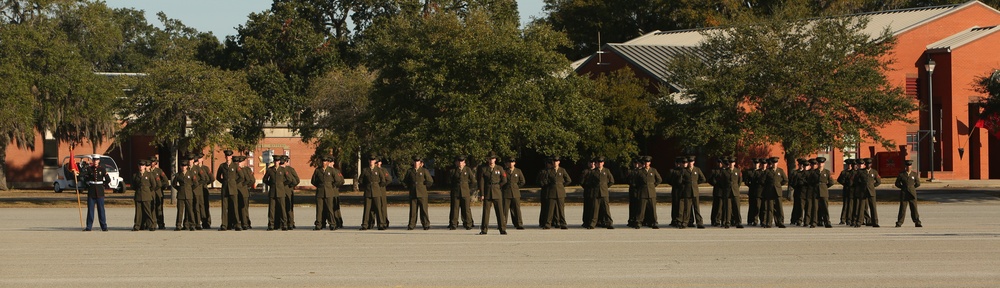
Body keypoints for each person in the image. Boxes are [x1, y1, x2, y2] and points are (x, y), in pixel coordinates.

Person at [478, 152, 508, 235]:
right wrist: (482, 194)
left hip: (497, 191)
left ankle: (502, 228)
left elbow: (504, 180)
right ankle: (484, 229)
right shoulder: (484, 169)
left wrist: (498, 186)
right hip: (487, 191)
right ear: (487, 159)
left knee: (500, 212)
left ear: (495, 159)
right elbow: (481, 182)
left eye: (492, 158)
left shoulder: (500, 168)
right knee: (486, 212)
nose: (491, 160)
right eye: (490, 159)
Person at [313, 156, 345, 230]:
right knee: (319, 209)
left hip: (329, 192)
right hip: (320, 192)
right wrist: (320, 185)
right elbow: (314, 181)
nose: (324, 162)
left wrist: (331, 186)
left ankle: (332, 224)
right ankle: (318, 224)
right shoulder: (318, 170)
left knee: (330, 209)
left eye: (326, 161)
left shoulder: (332, 170)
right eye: (323, 161)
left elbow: (338, 180)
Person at [539, 156, 571, 229]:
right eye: (553, 161)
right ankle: (548, 224)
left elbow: (568, 180)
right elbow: (545, 180)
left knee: (561, 209)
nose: (555, 162)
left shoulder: (562, 170)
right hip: (551, 192)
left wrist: (561, 185)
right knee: (550, 210)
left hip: (560, 192)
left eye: (556, 161)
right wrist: (549, 184)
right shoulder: (549, 171)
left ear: (559, 162)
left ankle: (563, 223)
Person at [403, 157, 433, 230]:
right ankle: (411, 224)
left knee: (424, 210)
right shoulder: (410, 171)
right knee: (413, 211)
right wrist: (408, 187)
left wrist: (424, 185)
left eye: (418, 162)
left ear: (420, 163)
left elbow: (430, 181)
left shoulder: (424, 171)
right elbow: (405, 181)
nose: (416, 163)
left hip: (422, 193)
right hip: (413, 193)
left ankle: (426, 224)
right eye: (415, 162)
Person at [216, 150, 242, 231]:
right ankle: (224, 224)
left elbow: (241, 177)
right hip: (225, 189)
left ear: (231, 157)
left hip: (233, 189)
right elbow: (218, 177)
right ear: (225, 157)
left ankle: (237, 224)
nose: (228, 157)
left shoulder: (235, 166)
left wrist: (234, 183)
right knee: (224, 207)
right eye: (226, 156)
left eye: (229, 156)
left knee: (234, 207)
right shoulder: (222, 166)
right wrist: (224, 182)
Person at [633, 156, 663, 229]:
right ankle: (639, 222)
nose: (646, 163)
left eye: (648, 162)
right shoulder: (640, 171)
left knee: (652, 209)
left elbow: (659, 179)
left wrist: (653, 185)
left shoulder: (653, 170)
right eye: (645, 162)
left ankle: (654, 222)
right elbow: (635, 182)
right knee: (641, 209)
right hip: (642, 192)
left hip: (651, 192)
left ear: (650, 163)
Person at [586, 156, 615, 229]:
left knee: (606, 209)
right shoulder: (593, 172)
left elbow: (611, 181)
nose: (599, 163)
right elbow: (589, 182)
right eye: (598, 162)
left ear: (603, 163)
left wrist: (605, 187)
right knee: (595, 209)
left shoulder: (606, 171)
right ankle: (592, 223)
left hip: (604, 193)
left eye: (601, 162)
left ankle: (609, 223)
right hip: (595, 193)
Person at [448, 155, 476, 230]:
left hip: (465, 192)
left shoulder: (467, 170)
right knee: (454, 209)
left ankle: (468, 223)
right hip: (456, 192)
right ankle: (453, 224)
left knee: (466, 209)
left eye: (462, 161)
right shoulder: (453, 171)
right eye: (459, 161)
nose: (460, 163)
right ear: (456, 162)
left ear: (464, 163)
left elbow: (473, 181)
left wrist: (468, 188)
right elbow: (449, 181)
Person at [263, 154, 290, 230]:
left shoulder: (283, 170)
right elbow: (265, 179)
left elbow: (289, 179)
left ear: (279, 162)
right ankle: (271, 224)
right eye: (275, 161)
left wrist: (282, 185)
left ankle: (284, 224)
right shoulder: (270, 170)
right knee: (271, 209)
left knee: (282, 209)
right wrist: (271, 184)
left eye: (277, 161)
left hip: (281, 192)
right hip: (272, 192)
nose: (276, 162)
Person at [83, 157, 110, 232]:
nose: (95, 161)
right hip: (91, 192)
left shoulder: (102, 169)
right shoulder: (89, 169)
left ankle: (104, 226)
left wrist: (103, 185)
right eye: (94, 160)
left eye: (97, 160)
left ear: (99, 161)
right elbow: (84, 177)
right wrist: (76, 172)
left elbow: (108, 179)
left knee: (101, 210)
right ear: (92, 161)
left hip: (100, 192)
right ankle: (89, 226)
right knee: (90, 210)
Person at [359, 155, 386, 230]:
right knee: (367, 209)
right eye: (370, 160)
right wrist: (366, 186)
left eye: (373, 160)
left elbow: (383, 180)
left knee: (378, 209)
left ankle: (381, 224)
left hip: (376, 192)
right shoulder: (365, 170)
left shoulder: (378, 170)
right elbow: (360, 180)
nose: (371, 161)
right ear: (369, 161)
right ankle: (365, 225)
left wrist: (377, 186)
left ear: (375, 161)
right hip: (368, 191)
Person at [760, 157, 787, 228]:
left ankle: (780, 222)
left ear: (777, 163)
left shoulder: (780, 171)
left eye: (776, 163)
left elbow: (785, 180)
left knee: (779, 208)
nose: (774, 164)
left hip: (778, 191)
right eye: (773, 163)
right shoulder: (767, 171)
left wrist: (778, 185)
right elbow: (762, 180)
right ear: (771, 163)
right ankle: (769, 222)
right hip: (770, 192)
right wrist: (768, 186)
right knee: (770, 208)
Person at [171, 159, 198, 231]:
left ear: (187, 167)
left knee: (190, 210)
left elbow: (195, 184)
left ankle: (192, 225)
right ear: (180, 167)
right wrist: (179, 188)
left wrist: (190, 189)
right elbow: (174, 184)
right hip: (181, 194)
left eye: (185, 166)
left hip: (189, 194)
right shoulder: (178, 175)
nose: (183, 167)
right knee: (180, 211)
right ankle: (178, 225)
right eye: (182, 166)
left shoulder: (191, 174)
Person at [854, 158, 881, 227]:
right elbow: (856, 181)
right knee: (861, 207)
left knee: (873, 207)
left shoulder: (874, 172)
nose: (869, 165)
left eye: (870, 164)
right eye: (867, 164)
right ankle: (859, 222)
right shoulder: (860, 172)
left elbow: (878, 181)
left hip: (871, 192)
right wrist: (861, 186)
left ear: (871, 164)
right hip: (863, 191)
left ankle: (875, 222)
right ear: (865, 164)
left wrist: (872, 186)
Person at [895, 160, 922, 227]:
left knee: (914, 208)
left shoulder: (914, 174)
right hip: (904, 193)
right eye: (907, 166)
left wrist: (912, 188)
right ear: (905, 166)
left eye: (909, 166)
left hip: (912, 194)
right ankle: (899, 222)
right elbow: (897, 183)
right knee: (902, 209)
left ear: (911, 166)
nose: (908, 167)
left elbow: (918, 183)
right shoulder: (901, 174)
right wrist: (903, 187)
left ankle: (917, 222)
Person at [502, 157, 526, 230]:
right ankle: (503, 224)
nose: (511, 163)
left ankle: (519, 224)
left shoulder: (518, 171)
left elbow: (522, 181)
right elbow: (501, 181)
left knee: (516, 209)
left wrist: (515, 186)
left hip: (515, 193)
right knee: (504, 210)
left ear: (514, 163)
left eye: (512, 162)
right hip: (506, 192)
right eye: (509, 162)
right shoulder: (504, 171)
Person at [132, 160, 155, 231]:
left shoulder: (149, 175)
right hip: (138, 195)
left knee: (147, 211)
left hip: (146, 195)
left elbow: (153, 185)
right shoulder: (135, 175)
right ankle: (137, 225)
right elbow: (133, 186)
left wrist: (148, 191)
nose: (141, 167)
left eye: (142, 165)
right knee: (138, 212)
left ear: (145, 166)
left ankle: (151, 225)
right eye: (140, 165)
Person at [685, 156, 706, 228]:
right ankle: (687, 222)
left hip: (695, 191)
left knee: (696, 208)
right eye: (689, 162)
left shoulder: (697, 169)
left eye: (691, 162)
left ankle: (699, 222)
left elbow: (703, 178)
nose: (690, 163)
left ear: (693, 162)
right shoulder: (685, 170)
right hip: (687, 191)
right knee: (687, 208)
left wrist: (696, 183)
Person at [149, 157, 168, 230]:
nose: (151, 163)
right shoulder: (147, 171)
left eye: (153, 162)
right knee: (151, 208)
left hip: (158, 192)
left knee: (159, 208)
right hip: (150, 192)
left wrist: (160, 187)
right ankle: (151, 223)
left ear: (155, 163)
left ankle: (161, 224)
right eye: (150, 162)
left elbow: (165, 181)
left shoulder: (159, 171)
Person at [814, 157, 834, 228]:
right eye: (819, 163)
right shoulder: (814, 172)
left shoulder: (827, 172)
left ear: (824, 163)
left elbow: (831, 182)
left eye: (822, 163)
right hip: (815, 192)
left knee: (825, 207)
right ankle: (815, 222)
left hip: (824, 191)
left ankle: (827, 222)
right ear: (817, 164)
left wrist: (824, 187)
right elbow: (810, 182)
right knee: (815, 208)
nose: (820, 164)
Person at [193, 153, 212, 229]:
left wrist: (204, 184)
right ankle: (196, 221)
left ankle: (206, 222)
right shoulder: (194, 168)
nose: (199, 160)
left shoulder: (205, 168)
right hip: (196, 190)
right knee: (196, 205)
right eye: (198, 158)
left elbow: (211, 178)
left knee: (205, 206)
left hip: (203, 189)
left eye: (200, 158)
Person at [283, 155, 301, 229]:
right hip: (279, 190)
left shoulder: (290, 169)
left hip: (288, 190)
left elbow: (297, 180)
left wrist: (291, 185)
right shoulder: (279, 169)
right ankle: (282, 222)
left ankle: (290, 222)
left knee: (289, 207)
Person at [744, 158, 763, 226]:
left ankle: (757, 220)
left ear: (759, 164)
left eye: (757, 163)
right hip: (752, 191)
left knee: (758, 206)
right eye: (755, 163)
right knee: (751, 206)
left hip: (760, 192)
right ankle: (750, 220)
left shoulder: (761, 172)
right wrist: (751, 185)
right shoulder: (749, 172)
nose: (756, 165)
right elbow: (746, 181)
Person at [836, 159, 854, 225]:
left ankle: (849, 219)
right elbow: (839, 179)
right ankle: (843, 219)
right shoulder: (844, 172)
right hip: (846, 189)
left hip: (852, 190)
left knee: (851, 205)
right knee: (845, 205)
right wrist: (844, 183)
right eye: (848, 165)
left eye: (850, 165)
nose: (849, 166)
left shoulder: (854, 172)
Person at [580, 160, 596, 228]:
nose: (592, 164)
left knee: (595, 207)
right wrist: (586, 187)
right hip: (588, 191)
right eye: (591, 163)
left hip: (596, 192)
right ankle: (586, 221)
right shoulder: (585, 171)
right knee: (587, 207)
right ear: (588, 163)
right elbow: (581, 182)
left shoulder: (597, 171)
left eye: (594, 163)